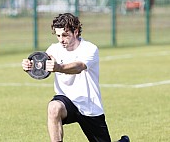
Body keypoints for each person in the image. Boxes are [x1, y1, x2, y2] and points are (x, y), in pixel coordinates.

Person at [22, 13, 129, 142]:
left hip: (89, 105)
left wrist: (59, 67)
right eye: (58, 35)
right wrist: (30, 66)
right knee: (53, 107)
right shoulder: (53, 49)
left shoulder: (89, 49)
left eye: (65, 35)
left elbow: (79, 67)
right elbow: (42, 66)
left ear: (76, 32)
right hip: (66, 101)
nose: (61, 39)